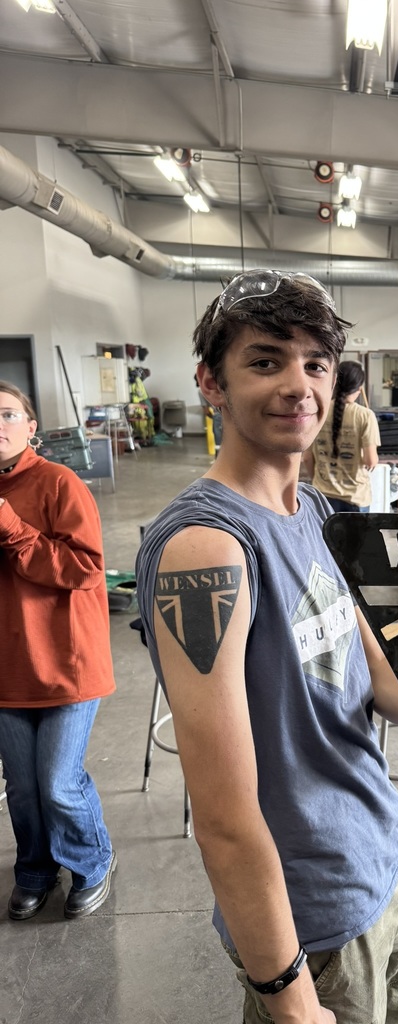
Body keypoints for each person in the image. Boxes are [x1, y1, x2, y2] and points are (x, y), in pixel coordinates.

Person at [134, 269, 398, 1024]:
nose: (299, 384)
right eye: (266, 361)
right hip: (310, 916)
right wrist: (287, 994)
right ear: (210, 382)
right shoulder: (207, 549)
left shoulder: (318, 513)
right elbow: (223, 811)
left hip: (380, 864)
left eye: (316, 363)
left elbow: (374, 670)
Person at [0, 381, 117, 921]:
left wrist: (11, 527)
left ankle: (92, 862)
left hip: (65, 662)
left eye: (7, 415)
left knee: (58, 783)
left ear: (30, 427)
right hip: (7, 665)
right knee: (22, 788)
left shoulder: (59, 483)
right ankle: (36, 870)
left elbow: (86, 569)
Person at [306, 360, 379, 512]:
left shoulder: (317, 411)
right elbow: (370, 460)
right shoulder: (365, 415)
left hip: (322, 495)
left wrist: (319, 480)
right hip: (355, 497)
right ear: (359, 387)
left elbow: (306, 457)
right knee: (355, 537)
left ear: (334, 382)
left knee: (325, 536)